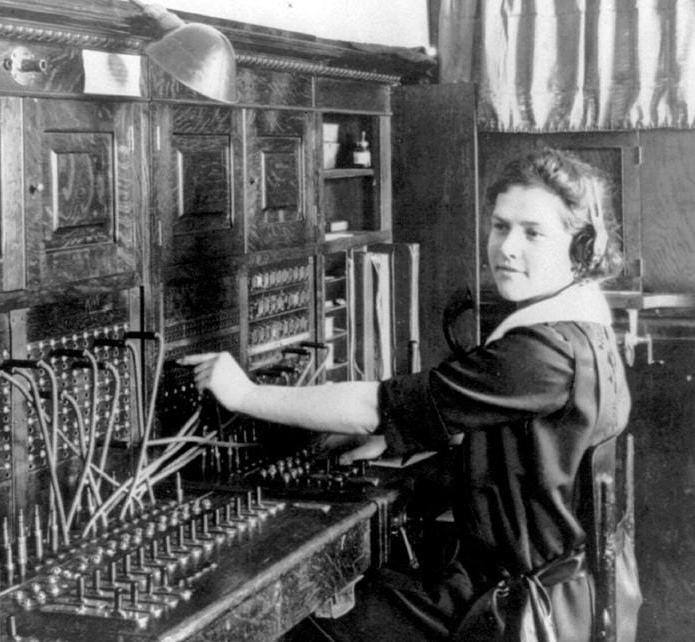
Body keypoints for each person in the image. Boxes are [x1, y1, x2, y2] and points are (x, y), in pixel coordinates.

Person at [181, 148, 632, 641]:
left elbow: (371, 406)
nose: (506, 248)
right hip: (565, 594)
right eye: (501, 227)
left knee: (300, 619)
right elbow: (522, 440)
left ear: (580, 243)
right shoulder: (583, 332)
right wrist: (403, 436)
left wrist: (244, 393)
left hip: (511, 607)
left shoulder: (539, 352)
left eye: (532, 232)